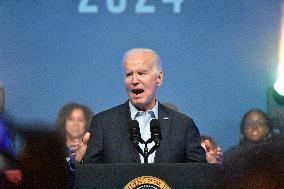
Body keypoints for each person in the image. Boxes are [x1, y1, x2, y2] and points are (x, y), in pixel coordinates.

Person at [70, 48, 207, 164]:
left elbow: (197, 176)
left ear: (159, 78)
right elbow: (91, 178)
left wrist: (212, 168)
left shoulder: (183, 126)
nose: (134, 80)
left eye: (141, 73)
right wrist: (78, 162)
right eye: (129, 74)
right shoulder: (103, 123)